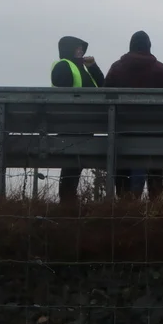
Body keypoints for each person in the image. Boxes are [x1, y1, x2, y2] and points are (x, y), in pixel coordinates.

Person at [103, 31, 163, 199]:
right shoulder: (159, 69)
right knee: (154, 160)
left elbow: (104, 95)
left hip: (122, 131)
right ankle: (155, 200)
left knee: (123, 161)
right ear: (148, 47)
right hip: (154, 134)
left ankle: (125, 200)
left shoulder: (116, 68)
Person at [51, 36, 105, 204]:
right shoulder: (63, 66)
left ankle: (69, 199)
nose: (81, 51)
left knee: (76, 163)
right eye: (77, 48)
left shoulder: (83, 68)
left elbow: (103, 85)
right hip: (71, 123)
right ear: (69, 49)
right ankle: (67, 200)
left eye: (82, 48)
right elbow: (64, 92)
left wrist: (93, 67)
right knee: (71, 162)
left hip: (84, 123)